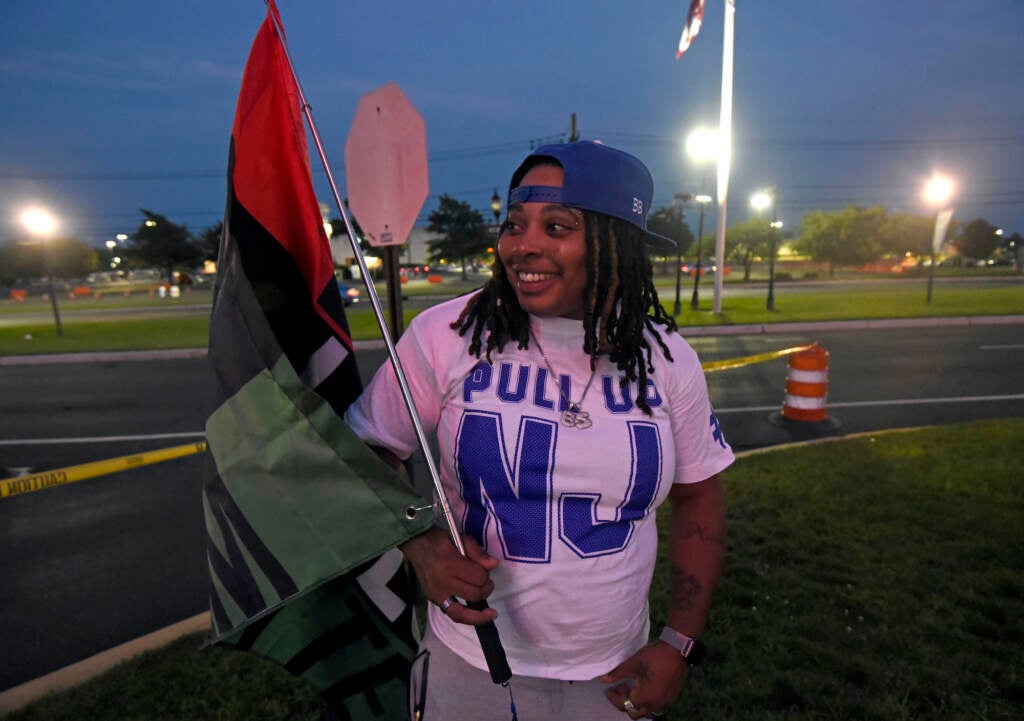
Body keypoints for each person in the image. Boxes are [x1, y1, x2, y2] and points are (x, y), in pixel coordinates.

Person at [345, 140, 733, 719]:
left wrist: (679, 642)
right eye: (515, 225)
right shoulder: (447, 335)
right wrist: (419, 544)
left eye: (557, 226)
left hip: (614, 669)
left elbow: (700, 497)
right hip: (470, 664)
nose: (523, 246)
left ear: (614, 243)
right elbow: (367, 447)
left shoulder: (665, 359)